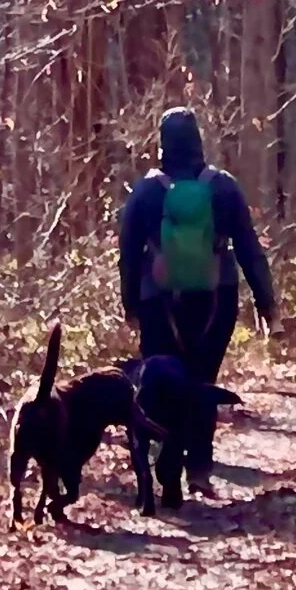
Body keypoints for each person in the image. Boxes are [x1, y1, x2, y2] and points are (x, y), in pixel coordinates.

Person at [117, 106, 275, 498]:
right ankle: (199, 468)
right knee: (203, 380)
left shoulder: (146, 192)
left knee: (162, 381)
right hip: (216, 299)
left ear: (162, 143)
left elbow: (129, 255)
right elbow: (249, 248)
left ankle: (165, 467)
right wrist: (265, 300)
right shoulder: (223, 187)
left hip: (158, 301)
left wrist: (130, 303)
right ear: (199, 141)